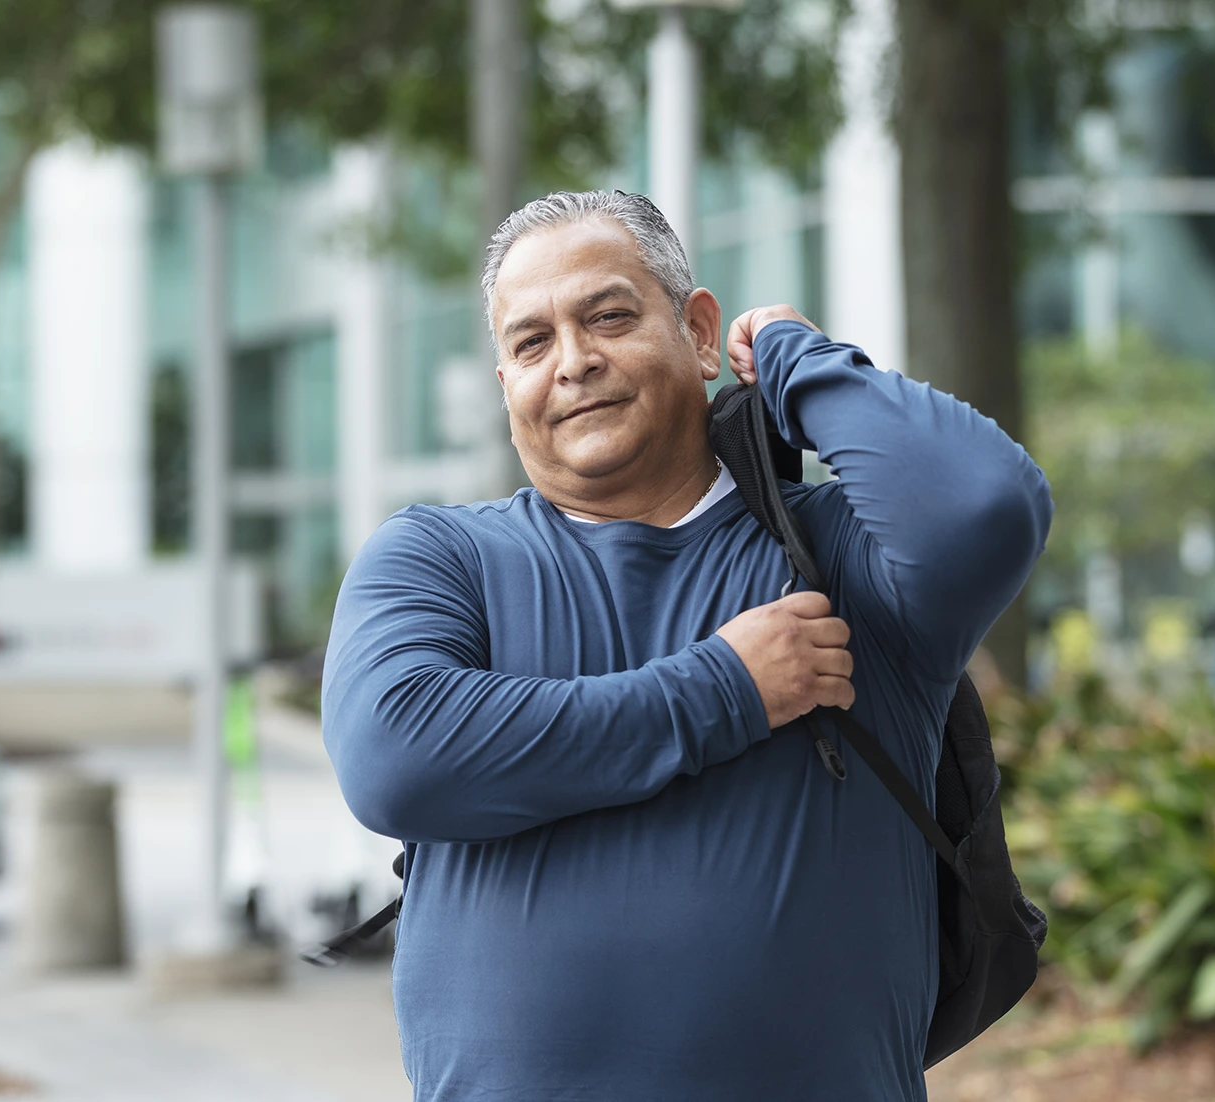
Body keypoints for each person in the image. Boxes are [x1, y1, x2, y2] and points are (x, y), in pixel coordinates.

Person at [322, 189, 1052, 1101]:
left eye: (609, 316)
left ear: (699, 333)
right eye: (531, 342)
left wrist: (794, 360)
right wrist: (729, 688)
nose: (574, 363)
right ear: (506, 383)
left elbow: (983, 504)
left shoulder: (845, 561)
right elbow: (397, 758)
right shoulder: (440, 556)